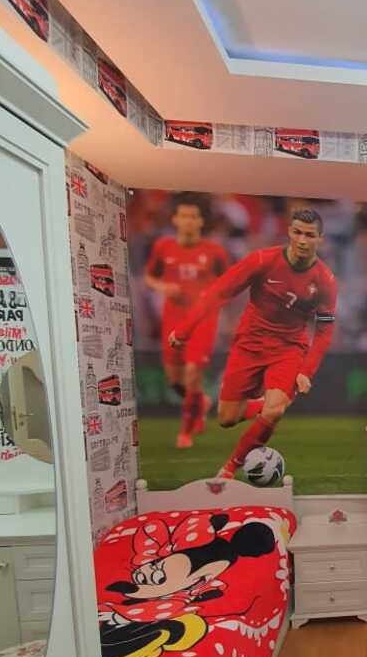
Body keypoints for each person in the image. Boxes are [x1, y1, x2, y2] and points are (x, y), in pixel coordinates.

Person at [169, 205, 337, 479]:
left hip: (289, 348)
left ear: (320, 239)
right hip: (249, 344)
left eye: (309, 235)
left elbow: (324, 331)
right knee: (227, 418)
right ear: (289, 232)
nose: (302, 240)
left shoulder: (326, 281)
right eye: (297, 232)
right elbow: (219, 291)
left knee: (275, 412)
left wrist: (306, 371)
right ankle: (262, 404)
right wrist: (185, 329)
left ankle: (229, 469)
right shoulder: (262, 260)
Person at [143, 193, 229, 449]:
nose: (189, 221)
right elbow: (149, 277)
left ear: (201, 221)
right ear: (175, 219)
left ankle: (186, 431)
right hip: (173, 318)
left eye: (193, 216)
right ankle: (200, 402)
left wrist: (213, 299)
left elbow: (229, 282)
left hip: (203, 320)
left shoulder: (215, 251)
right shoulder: (163, 247)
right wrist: (163, 287)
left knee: (193, 373)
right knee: (176, 381)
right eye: (184, 216)